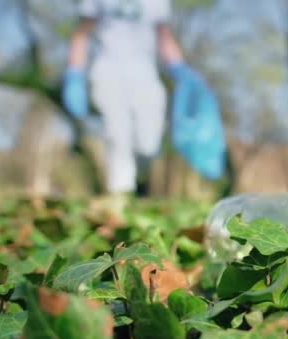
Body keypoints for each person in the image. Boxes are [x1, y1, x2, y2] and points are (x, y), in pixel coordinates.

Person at [63, 0, 201, 199]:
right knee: (118, 137)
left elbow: (164, 35)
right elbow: (81, 33)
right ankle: (120, 196)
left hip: (145, 74)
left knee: (149, 143)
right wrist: (74, 73)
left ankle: (138, 183)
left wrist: (180, 68)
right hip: (107, 71)